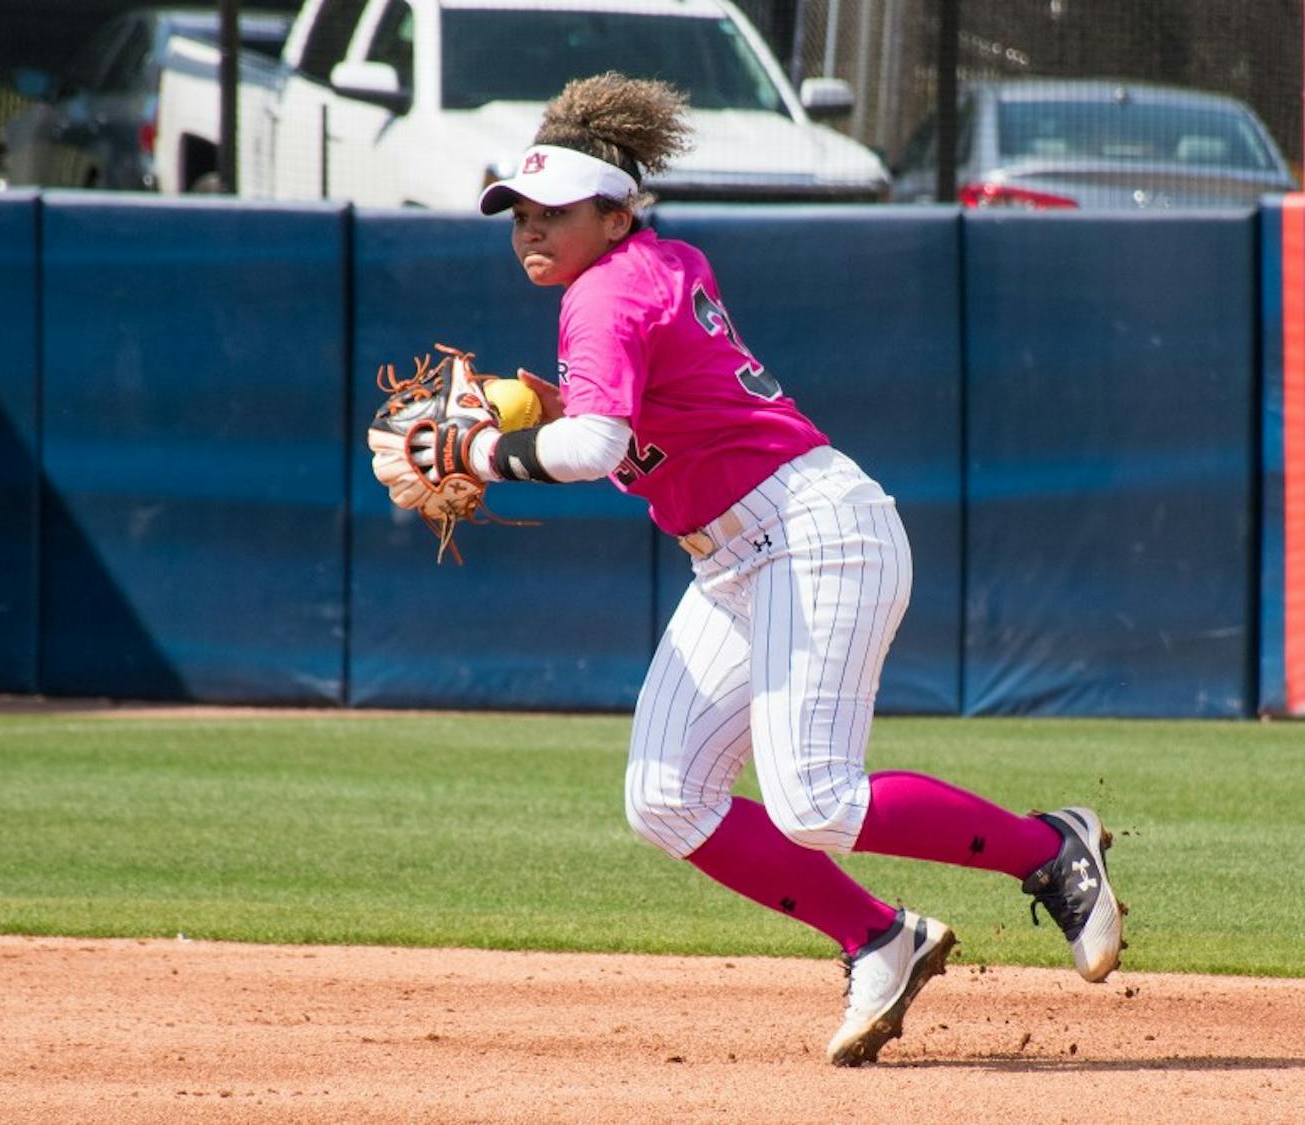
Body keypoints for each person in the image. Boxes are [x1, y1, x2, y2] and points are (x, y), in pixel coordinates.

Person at [434, 72, 1125, 1066]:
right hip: (742, 555)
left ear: (615, 213)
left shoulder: (606, 290)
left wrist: (478, 451)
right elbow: (648, 433)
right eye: (519, 213)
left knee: (816, 802)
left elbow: (594, 450)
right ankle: (881, 938)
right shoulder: (656, 263)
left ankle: (1051, 848)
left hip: (810, 534)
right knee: (665, 794)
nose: (531, 229)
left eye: (556, 211)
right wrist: (563, 414)